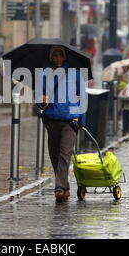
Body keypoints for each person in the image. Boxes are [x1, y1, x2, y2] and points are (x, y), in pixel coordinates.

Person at [38, 46, 86, 203]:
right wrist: (41, 101)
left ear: (64, 57)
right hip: (51, 120)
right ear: (51, 57)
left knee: (65, 154)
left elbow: (82, 97)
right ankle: (64, 187)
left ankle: (59, 189)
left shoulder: (75, 74)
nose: (57, 58)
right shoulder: (44, 74)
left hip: (70, 120)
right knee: (54, 155)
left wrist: (81, 121)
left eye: (60, 55)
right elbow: (38, 99)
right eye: (55, 55)